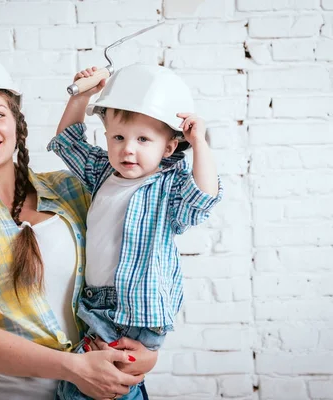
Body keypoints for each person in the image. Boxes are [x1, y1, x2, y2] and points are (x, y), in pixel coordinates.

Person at [0, 52, 158, 400]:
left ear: (15, 123)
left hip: (105, 390)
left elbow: (140, 259)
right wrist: (73, 368)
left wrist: (146, 349)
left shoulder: (72, 190)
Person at [48, 64, 223, 400]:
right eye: (118, 137)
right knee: (92, 386)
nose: (128, 149)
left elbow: (204, 198)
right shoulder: (103, 172)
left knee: (88, 389)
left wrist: (199, 143)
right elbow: (67, 142)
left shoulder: (167, 187)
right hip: (95, 305)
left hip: (134, 310)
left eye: (143, 139)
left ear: (169, 147)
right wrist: (82, 96)